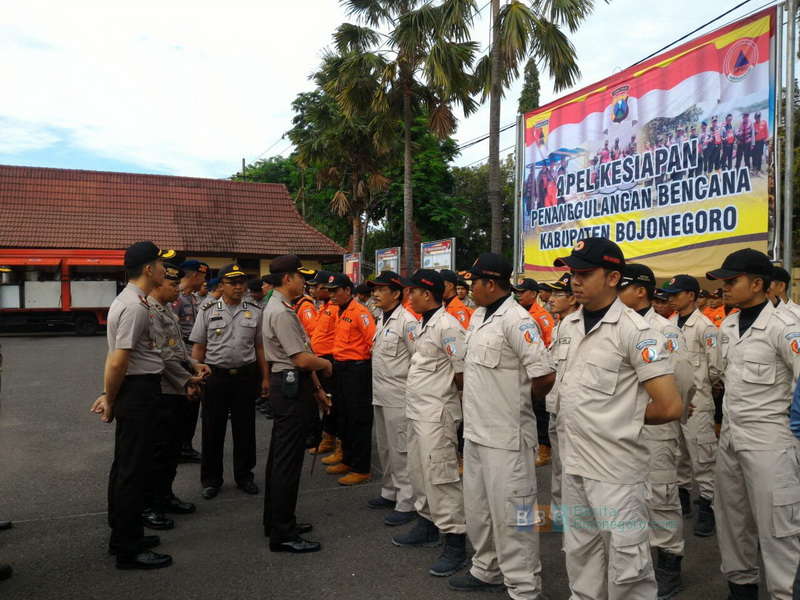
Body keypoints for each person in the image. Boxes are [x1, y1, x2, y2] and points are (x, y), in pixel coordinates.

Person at [551, 237, 683, 600]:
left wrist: (621, 420)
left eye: (585, 273)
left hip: (616, 474)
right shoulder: (569, 325)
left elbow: (670, 406)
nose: (575, 280)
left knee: (629, 571)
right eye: (572, 273)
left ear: (612, 277)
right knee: (581, 559)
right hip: (574, 466)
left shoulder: (637, 332)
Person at [448, 254, 555, 597]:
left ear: (490, 284)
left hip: (507, 437)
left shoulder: (517, 320)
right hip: (477, 433)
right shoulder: (480, 316)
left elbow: (544, 374)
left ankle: (524, 587)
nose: (469, 291)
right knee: (478, 510)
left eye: (473, 284)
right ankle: (486, 567)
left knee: (514, 517)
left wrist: (519, 403)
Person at [706, 248, 800, 599]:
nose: (725, 288)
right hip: (731, 439)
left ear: (757, 283)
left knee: (779, 532)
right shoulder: (729, 324)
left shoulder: (785, 325)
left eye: (732, 281)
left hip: (770, 443)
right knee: (731, 522)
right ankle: (741, 588)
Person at [90, 241, 176, 570]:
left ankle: (125, 534)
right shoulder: (136, 306)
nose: (164, 270)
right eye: (159, 264)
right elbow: (118, 361)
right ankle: (128, 546)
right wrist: (109, 398)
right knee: (133, 470)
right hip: (138, 392)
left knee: (127, 466)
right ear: (148, 269)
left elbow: (116, 360)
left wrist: (110, 394)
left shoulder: (131, 300)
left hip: (136, 390)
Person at [618, 264, 694, 599]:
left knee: (661, 496)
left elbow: (684, 382)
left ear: (640, 291)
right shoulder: (615, 325)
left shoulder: (665, 330)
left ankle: (668, 563)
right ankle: (637, 564)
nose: (617, 293)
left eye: (623, 287)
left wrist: (672, 412)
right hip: (623, 427)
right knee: (628, 496)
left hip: (657, 424)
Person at [391, 269, 467, 578]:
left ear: (427, 293)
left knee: (441, 477)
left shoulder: (447, 325)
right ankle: (427, 523)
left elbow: (462, 372)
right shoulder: (425, 324)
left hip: (437, 415)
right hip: (418, 411)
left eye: (413, 292)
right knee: (419, 471)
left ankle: (456, 541)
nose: (409, 297)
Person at [261, 255, 331, 554]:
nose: (305, 282)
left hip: (291, 385)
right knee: (287, 462)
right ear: (288, 278)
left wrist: (315, 386)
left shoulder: (279, 306)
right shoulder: (281, 311)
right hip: (289, 387)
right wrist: (326, 365)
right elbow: (301, 358)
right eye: (301, 277)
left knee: (280, 458)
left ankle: (276, 520)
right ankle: (282, 532)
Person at [189, 263, 269, 500]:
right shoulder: (207, 309)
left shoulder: (255, 310)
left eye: (241, 282)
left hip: (245, 377)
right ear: (221, 285)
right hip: (215, 378)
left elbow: (260, 347)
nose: (238, 286)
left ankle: (244, 476)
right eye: (232, 282)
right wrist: (194, 378)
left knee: (245, 429)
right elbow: (199, 348)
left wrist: (266, 378)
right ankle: (211, 480)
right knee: (212, 429)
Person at [146, 264, 209, 525]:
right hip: (162, 389)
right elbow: (162, 356)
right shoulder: (150, 311)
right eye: (173, 285)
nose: (177, 289)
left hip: (175, 386)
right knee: (158, 451)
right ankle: (150, 505)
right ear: (159, 285)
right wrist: (188, 380)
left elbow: (179, 348)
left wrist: (194, 364)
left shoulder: (167, 311)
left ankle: (166, 495)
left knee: (171, 448)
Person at [662, 274, 720, 536]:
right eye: (670, 294)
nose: (672, 298)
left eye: (677, 293)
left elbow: (716, 368)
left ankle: (708, 504)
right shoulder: (670, 323)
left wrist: (700, 389)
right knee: (678, 454)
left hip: (699, 400)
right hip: (675, 398)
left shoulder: (705, 327)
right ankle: (683, 497)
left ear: (691, 295)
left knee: (703, 456)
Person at [367, 271, 419, 526]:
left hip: (399, 396)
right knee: (385, 447)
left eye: (381, 289)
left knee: (401, 450)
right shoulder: (382, 318)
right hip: (381, 393)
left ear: (396, 293)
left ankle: (407, 501)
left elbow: (418, 358)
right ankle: (390, 491)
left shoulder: (407, 322)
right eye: (374, 289)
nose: (375, 294)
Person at [322, 273, 375, 486]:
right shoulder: (339, 311)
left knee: (359, 419)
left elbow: (372, 341)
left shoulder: (360, 312)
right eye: (330, 291)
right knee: (343, 416)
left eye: (335, 290)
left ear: (347, 290)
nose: (331, 294)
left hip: (357, 370)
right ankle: (347, 458)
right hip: (340, 368)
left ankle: (361, 468)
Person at [542, 273, 578, 528]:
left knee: (572, 467)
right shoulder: (559, 325)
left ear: (573, 299)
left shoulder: (578, 326)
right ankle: (559, 512)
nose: (552, 299)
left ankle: (573, 515)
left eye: (558, 294)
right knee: (558, 465)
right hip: (555, 404)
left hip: (573, 409)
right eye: (552, 294)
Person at [512, 278, 554, 468]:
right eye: (518, 292)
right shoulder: (518, 313)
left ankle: (545, 448)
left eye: (523, 292)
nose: (519, 295)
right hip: (522, 368)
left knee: (540, 410)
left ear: (533, 293)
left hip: (539, 367)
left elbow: (549, 342)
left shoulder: (541, 315)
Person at [171, 260, 209, 464]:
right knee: (183, 406)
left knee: (192, 406)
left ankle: (186, 445)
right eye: (203, 276)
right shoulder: (175, 298)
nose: (205, 280)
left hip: (192, 356)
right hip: (181, 357)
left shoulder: (193, 298)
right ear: (195, 276)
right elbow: (172, 336)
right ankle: (179, 447)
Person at [308, 271, 339, 455]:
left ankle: (335, 441)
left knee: (330, 402)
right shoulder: (322, 306)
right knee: (323, 402)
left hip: (330, 360)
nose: (312, 289)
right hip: (319, 359)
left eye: (316, 286)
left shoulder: (335, 309)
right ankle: (328, 438)